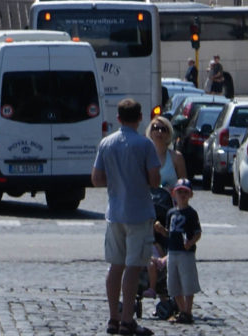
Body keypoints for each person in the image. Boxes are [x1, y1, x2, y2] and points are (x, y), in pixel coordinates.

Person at [92, 97, 161, 336]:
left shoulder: (106, 143)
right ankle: (126, 321)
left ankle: (112, 318)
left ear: (118, 118)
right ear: (140, 117)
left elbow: (96, 179)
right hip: (139, 212)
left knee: (115, 266)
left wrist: (117, 180)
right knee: (133, 267)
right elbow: (155, 180)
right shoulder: (145, 145)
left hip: (115, 212)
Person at [159, 180, 203, 325]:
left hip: (186, 253)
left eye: (185, 192)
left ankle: (187, 311)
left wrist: (190, 242)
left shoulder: (191, 213)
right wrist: (161, 230)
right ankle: (182, 310)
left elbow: (198, 233)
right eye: (180, 192)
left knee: (187, 283)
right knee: (173, 283)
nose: (182, 195)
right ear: (174, 194)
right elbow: (168, 233)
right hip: (172, 252)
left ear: (190, 195)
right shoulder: (171, 212)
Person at [148, 115, 188, 189]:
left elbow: (184, 187)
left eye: (163, 129)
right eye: (156, 128)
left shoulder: (177, 157)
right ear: (150, 132)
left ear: (168, 134)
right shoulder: (143, 157)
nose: (159, 132)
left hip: (170, 199)